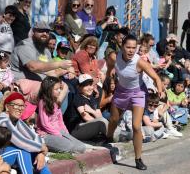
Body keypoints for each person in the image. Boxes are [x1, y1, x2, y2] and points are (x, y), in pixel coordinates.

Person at [106, 34, 163, 170]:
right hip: (121, 92)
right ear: (122, 47)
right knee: (114, 119)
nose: (131, 50)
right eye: (128, 47)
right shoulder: (114, 57)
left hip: (138, 93)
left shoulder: (140, 62)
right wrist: (111, 77)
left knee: (136, 126)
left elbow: (156, 78)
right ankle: (108, 138)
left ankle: (138, 159)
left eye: (134, 47)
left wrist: (160, 90)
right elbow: (109, 68)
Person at [0, 92, 51, 174]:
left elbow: (34, 136)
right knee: (21, 151)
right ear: (7, 107)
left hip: (0, 153)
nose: (20, 108)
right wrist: (42, 148)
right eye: (16, 105)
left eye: (22, 106)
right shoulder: (3, 120)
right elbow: (21, 142)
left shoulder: (16, 120)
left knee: (37, 156)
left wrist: (41, 153)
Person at [37, 76, 86, 153]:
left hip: (59, 131)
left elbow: (60, 120)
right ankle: (46, 144)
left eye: (60, 88)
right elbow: (45, 124)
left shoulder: (57, 101)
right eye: (56, 89)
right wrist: (58, 134)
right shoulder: (43, 102)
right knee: (69, 146)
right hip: (46, 134)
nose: (60, 91)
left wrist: (65, 133)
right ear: (48, 90)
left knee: (82, 147)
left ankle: (58, 144)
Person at [63, 74, 109, 141]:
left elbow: (100, 115)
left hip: (87, 126)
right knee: (102, 122)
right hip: (76, 130)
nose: (89, 88)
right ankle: (113, 136)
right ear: (79, 87)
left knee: (105, 121)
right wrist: (99, 120)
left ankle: (115, 135)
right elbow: (86, 117)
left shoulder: (93, 98)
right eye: (85, 85)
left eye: (90, 85)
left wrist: (91, 111)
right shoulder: (77, 98)